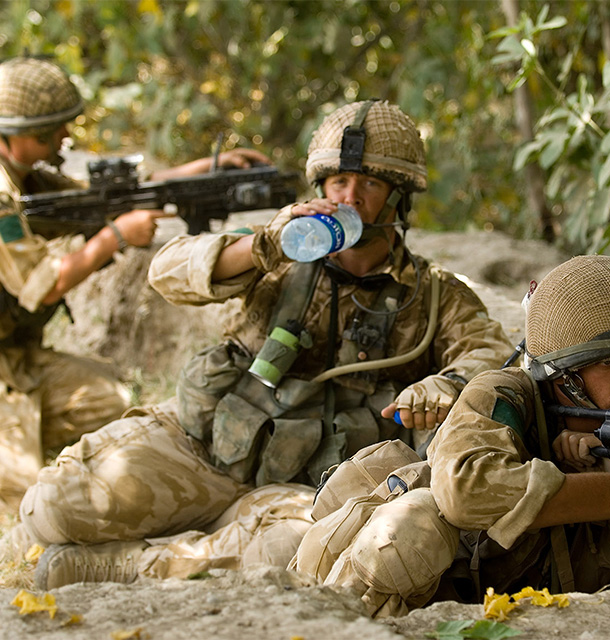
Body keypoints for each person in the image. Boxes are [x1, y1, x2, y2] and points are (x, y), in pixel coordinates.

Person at [20, 99, 513, 588]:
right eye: (338, 182)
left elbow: (492, 357)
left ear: (398, 199)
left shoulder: (431, 294)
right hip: (205, 447)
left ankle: (137, 564)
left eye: (370, 184)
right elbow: (167, 272)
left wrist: (446, 384)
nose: (350, 197)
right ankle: (211, 529)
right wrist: (266, 243)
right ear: (319, 188)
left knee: (290, 551)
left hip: (299, 487)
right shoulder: (273, 253)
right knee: (50, 506)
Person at [291, 254, 610, 617]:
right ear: (564, 375)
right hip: (412, 584)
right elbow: (465, 490)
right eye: (608, 361)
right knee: (410, 528)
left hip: (530, 599)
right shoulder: (503, 393)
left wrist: (606, 457)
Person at [0, 56, 270, 512]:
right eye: (49, 132)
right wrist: (115, 237)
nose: (63, 138)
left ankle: (21, 421)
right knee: (23, 496)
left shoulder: (30, 178)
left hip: (16, 360)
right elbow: (42, 285)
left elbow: (109, 195)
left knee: (112, 399)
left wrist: (203, 169)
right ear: (9, 133)